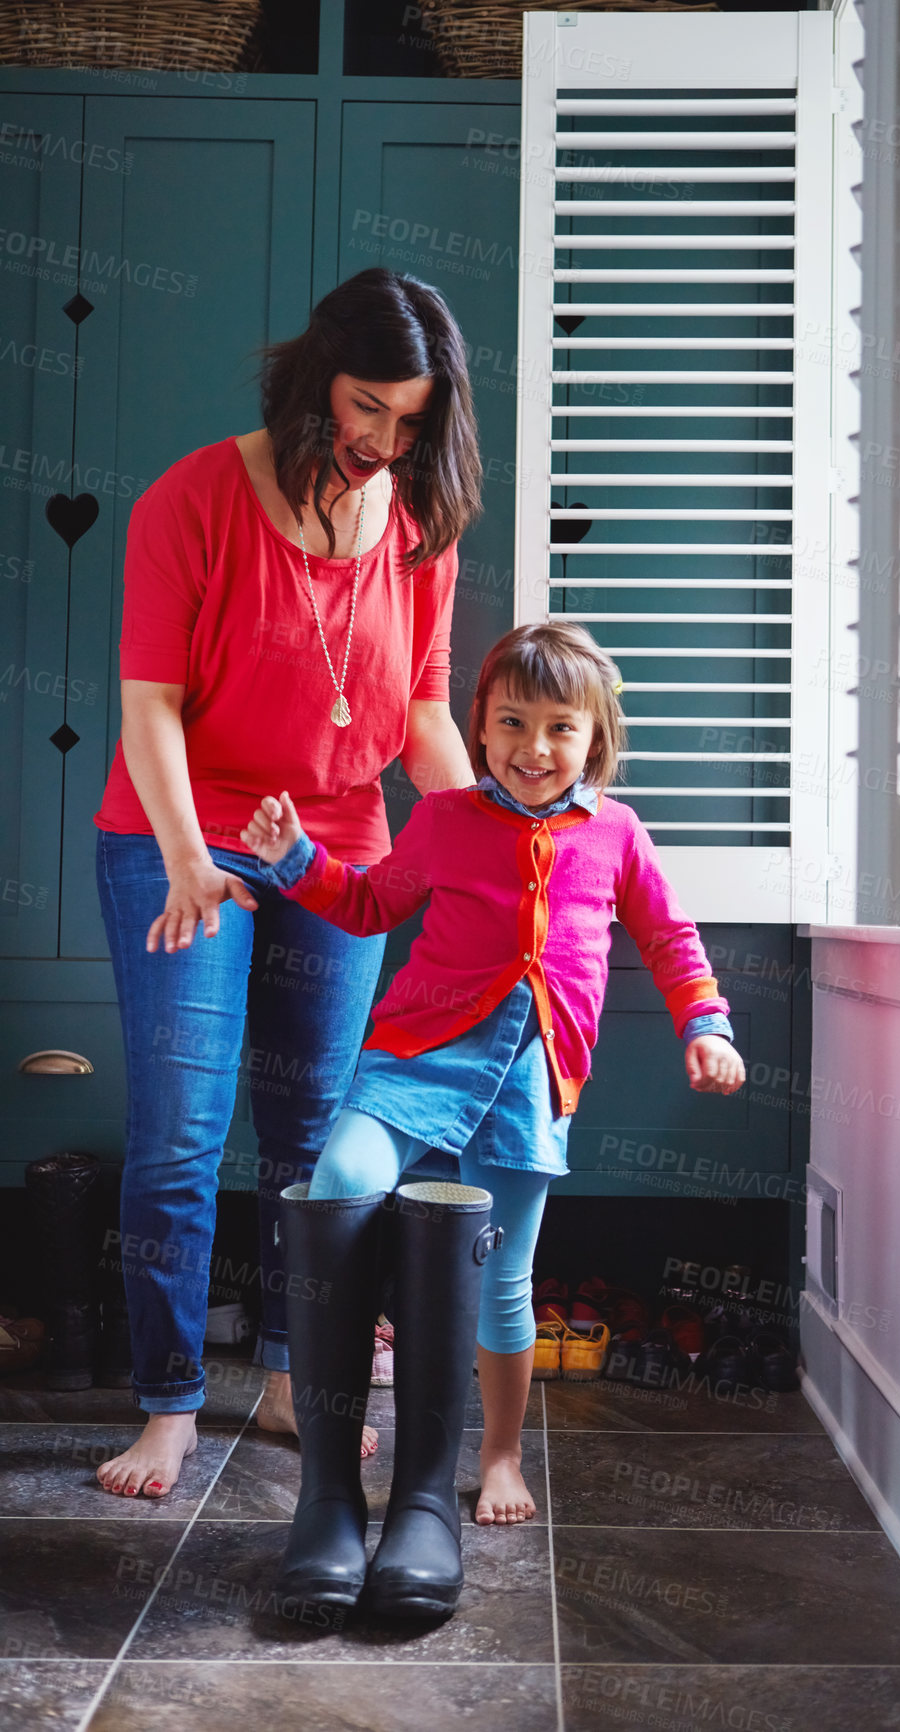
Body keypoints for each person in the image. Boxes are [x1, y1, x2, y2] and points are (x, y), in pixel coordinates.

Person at [240, 620, 746, 1619]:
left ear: (593, 738)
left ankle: (490, 1458)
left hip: (528, 1076)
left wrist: (708, 1021)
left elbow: (668, 935)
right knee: (336, 1183)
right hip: (412, 1058)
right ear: (479, 727)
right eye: (510, 721)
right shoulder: (444, 818)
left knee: (500, 1280)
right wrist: (296, 859)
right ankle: (331, 1492)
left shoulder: (617, 832)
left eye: (558, 727)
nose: (532, 746)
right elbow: (372, 902)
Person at [91, 268, 481, 1499]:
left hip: (337, 845)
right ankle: (167, 1401)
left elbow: (420, 709)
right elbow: (147, 704)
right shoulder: (192, 499)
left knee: (312, 1138)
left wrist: (490, 844)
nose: (382, 442)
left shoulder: (418, 523)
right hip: (184, 831)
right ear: (316, 378)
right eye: (367, 408)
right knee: (179, 1137)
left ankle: (288, 1379)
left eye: (412, 420)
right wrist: (188, 857)